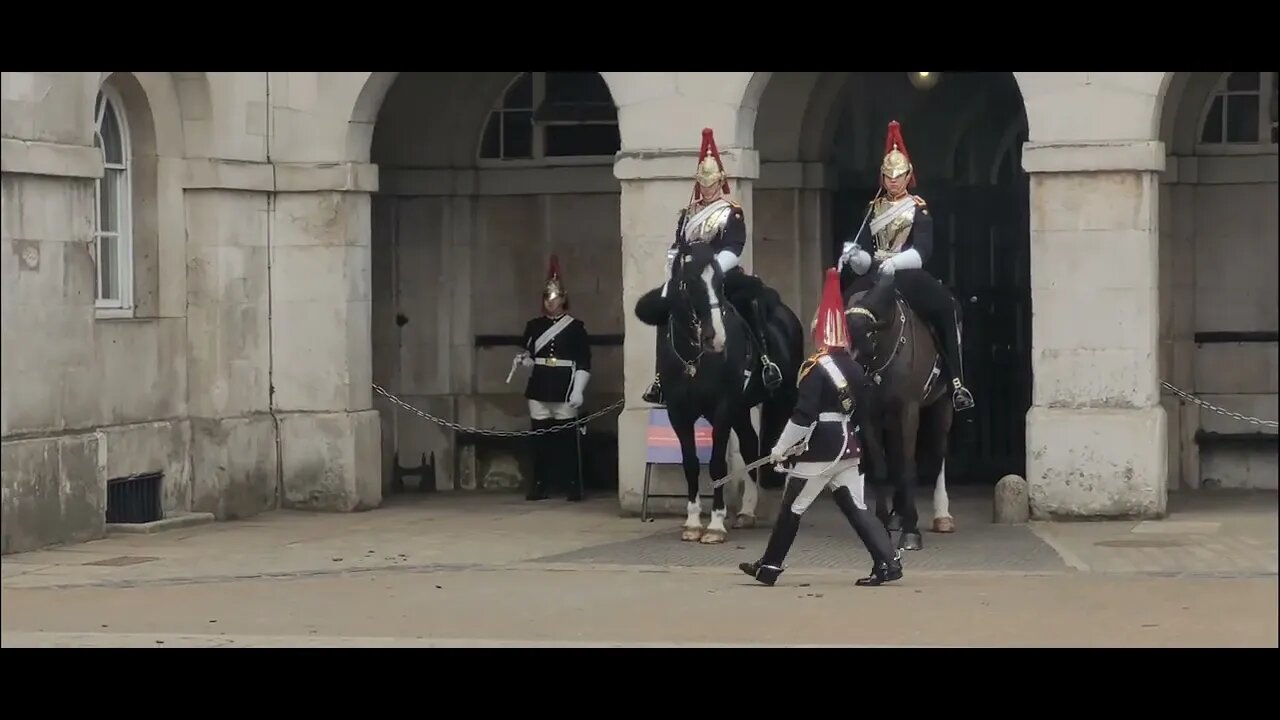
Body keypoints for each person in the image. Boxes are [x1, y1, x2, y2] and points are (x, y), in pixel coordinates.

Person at [739, 268, 903, 588]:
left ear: (819, 332)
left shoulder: (815, 367)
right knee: (857, 507)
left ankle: (770, 566)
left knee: (792, 507)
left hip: (820, 450)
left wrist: (780, 449)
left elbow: (804, 416)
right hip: (848, 445)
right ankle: (888, 561)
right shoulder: (854, 368)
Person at [639, 127, 783, 406]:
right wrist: (673, 263)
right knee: (666, 310)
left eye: (712, 183)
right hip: (692, 278)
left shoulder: (731, 212)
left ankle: (765, 361)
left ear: (721, 181)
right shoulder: (688, 213)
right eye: (703, 184)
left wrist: (712, 269)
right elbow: (679, 244)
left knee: (748, 301)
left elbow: (734, 247)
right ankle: (660, 377)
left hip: (722, 274)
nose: (707, 189)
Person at [838, 120, 974, 412]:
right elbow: (865, 255)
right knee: (843, 308)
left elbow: (922, 251)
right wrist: (855, 256)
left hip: (907, 274)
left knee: (946, 307)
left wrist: (893, 263)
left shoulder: (917, 207)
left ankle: (956, 382)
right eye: (888, 176)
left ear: (908, 175)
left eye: (898, 176)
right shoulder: (872, 209)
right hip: (875, 276)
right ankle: (838, 379)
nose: (893, 181)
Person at [511, 255, 592, 502]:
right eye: (547, 297)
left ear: (563, 299)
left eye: (554, 297)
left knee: (567, 439)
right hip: (539, 385)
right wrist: (526, 362)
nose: (550, 302)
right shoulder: (534, 326)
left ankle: (572, 483)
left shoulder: (575, 327)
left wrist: (578, 389)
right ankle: (539, 483)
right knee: (539, 438)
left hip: (564, 386)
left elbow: (583, 361)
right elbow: (529, 354)